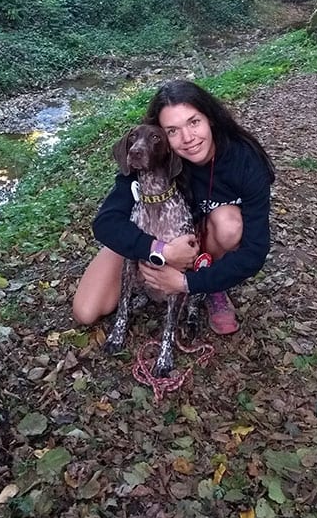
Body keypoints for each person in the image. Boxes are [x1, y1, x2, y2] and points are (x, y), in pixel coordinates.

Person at [72, 80, 275, 335]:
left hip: (203, 243)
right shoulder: (153, 156)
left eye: (194, 122)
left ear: (210, 118)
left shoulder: (244, 161)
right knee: (86, 311)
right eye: (172, 130)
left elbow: (255, 252)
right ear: (162, 135)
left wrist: (186, 282)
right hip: (152, 238)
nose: (188, 138)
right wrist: (161, 251)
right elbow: (105, 223)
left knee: (229, 224)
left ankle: (212, 284)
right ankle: (148, 281)